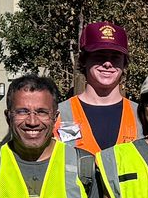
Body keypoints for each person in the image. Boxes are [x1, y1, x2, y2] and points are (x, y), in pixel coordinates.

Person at [57, 21, 140, 155]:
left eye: (115, 57)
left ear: (125, 63)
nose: (107, 63)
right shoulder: (59, 115)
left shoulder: (142, 116)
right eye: (99, 56)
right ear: (84, 60)